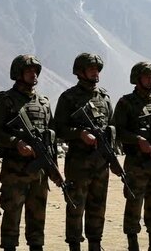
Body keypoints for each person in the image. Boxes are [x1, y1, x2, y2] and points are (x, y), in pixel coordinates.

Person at [0, 55, 56, 251]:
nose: (33, 75)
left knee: (38, 214)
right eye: (28, 71)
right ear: (18, 74)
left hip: (39, 172)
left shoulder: (43, 102)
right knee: (12, 213)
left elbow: (51, 135)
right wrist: (15, 142)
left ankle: (37, 246)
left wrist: (52, 167)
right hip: (15, 170)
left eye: (35, 71)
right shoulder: (5, 100)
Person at [53, 53, 114, 251]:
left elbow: (111, 126)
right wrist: (80, 134)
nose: (95, 72)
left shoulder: (104, 97)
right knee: (75, 206)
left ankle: (95, 243)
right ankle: (74, 245)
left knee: (98, 206)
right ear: (80, 72)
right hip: (79, 163)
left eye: (97, 69)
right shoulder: (69, 98)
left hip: (101, 163)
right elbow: (59, 129)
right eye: (91, 69)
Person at [113, 61, 151, 251]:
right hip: (137, 165)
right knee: (134, 204)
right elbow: (118, 131)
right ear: (137, 79)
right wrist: (138, 140)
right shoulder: (126, 103)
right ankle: (133, 244)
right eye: (147, 76)